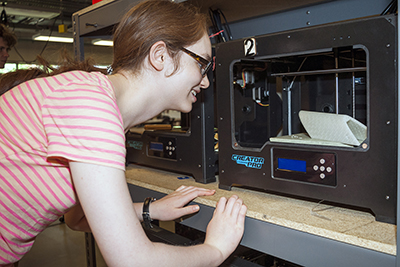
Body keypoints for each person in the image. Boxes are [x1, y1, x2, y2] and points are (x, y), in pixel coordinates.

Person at [0, 0, 247, 266]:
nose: (206, 80)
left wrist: (151, 209)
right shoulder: (90, 106)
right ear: (160, 56)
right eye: (202, 64)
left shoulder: (98, 104)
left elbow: (76, 219)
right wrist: (216, 250)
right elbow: (132, 261)